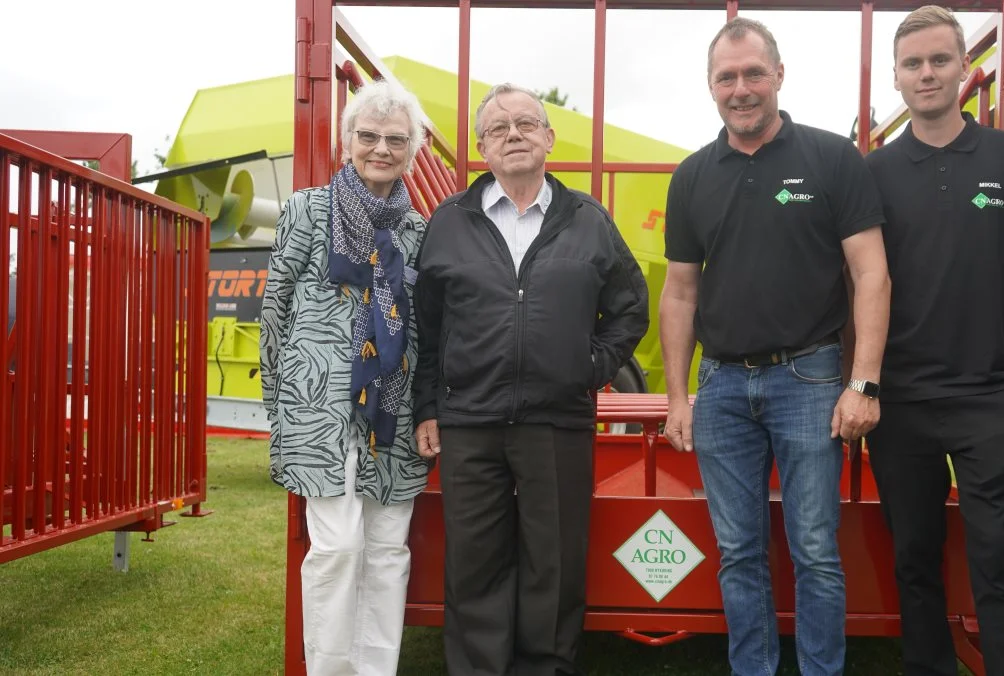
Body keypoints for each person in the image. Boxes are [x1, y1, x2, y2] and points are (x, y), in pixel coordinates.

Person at [660, 17, 892, 676]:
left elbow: (870, 272)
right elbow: (679, 294)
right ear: (711, 86)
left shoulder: (831, 159)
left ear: (779, 75)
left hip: (811, 380)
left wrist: (863, 381)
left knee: (815, 547)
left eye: (753, 73)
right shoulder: (692, 177)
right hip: (723, 389)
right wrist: (680, 397)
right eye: (726, 77)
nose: (741, 88)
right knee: (738, 551)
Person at [412, 82, 650, 676]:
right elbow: (427, 327)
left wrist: (587, 367)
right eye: (497, 128)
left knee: (556, 563)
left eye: (525, 123)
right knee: (474, 565)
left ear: (548, 137)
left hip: (557, 419)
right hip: (471, 423)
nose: (513, 134)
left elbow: (629, 309)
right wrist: (428, 406)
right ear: (481, 149)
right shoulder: (450, 222)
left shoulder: (589, 220)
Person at [863, 6, 1004, 676]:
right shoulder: (874, 173)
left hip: (990, 396)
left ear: (964, 69)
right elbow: (859, 281)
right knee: (914, 561)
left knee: (998, 561)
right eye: (913, 64)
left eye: (939, 60)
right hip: (902, 401)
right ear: (895, 77)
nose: (927, 74)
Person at [260, 78, 431, 676]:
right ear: (346, 141)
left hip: (396, 408)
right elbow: (276, 305)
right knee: (335, 549)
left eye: (395, 139)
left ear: (412, 150)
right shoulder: (307, 209)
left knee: (387, 553)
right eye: (368, 135)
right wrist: (279, 405)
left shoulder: (419, 230)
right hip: (318, 407)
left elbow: (427, 327)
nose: (380, 148)